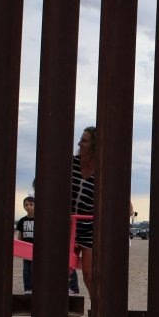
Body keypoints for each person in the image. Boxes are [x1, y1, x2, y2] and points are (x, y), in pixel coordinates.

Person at [71, 127, 97, 298]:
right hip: (68, 225)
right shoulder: (71, 163)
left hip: (89, 227)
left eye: (85, 140)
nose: (79, 143)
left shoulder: (102, 168)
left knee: (89, 274)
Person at [16, 196, 36, 294]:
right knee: (26, 270)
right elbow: (19, 234)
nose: (28, 207)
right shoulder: (22, 220)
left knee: (34, 269)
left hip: (36, 249)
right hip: (25, 249)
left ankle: (34, 288)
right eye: (26, 205)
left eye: (31, 205)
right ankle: (27, 288)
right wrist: (19, 246)